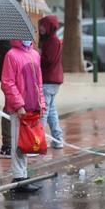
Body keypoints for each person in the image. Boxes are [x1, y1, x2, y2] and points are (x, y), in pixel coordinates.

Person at [1, 39, 46, 193]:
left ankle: (23, 174)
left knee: (26, 142)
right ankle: (19, 176)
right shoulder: (11, 55)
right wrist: (19, 105)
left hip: (33, 106)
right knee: (18, 142)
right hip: (20, 108)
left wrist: (41, 103)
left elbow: (39, 82)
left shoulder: (34, 54)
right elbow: (7, 82)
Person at [38, 15, 64, 148]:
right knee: (51, 110)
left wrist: (38, 55)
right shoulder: (52, 40)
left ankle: (39, 141)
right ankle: (58, 139)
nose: (41, 28)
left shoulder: (52, 41)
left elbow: (48, 60)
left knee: (44, 111)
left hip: (48, 80)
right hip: (53, 81)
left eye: (43, 25)